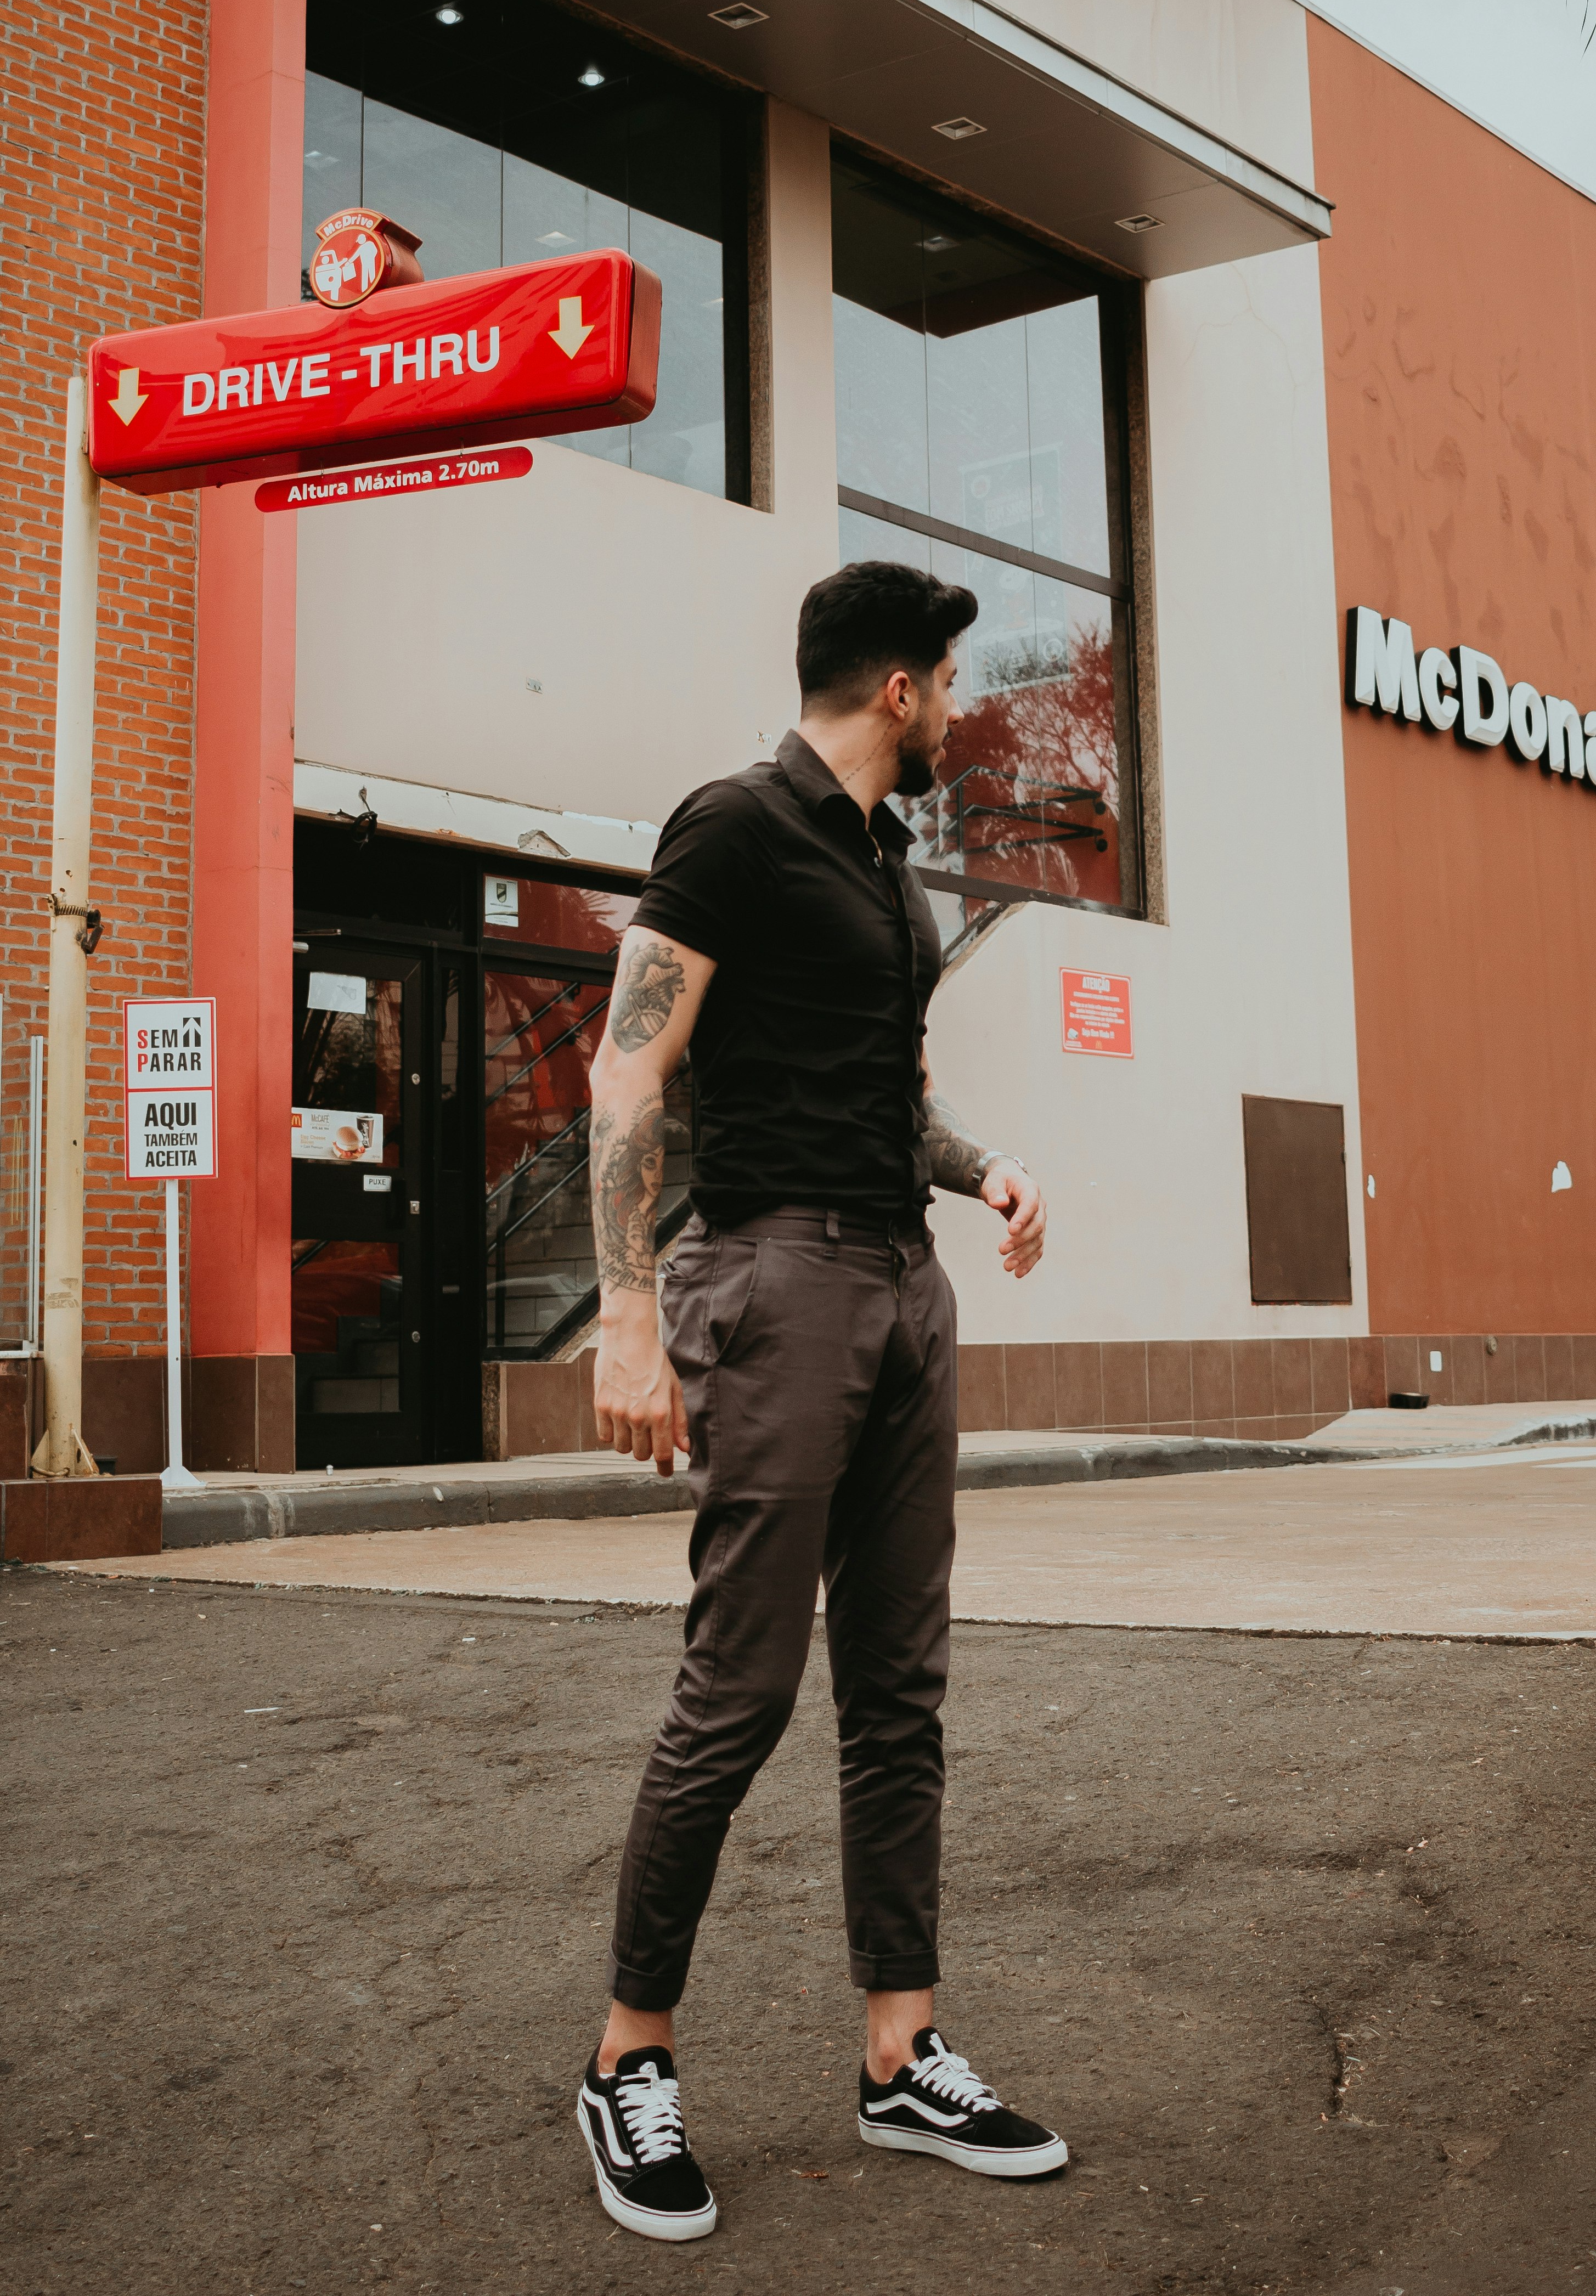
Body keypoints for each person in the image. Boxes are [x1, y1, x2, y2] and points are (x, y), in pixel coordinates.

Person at [573, 559, 1067, 2242]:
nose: (960, 708)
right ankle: (629, 2057)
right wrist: (627, 1313)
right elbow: (629, 1064)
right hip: (769, 1280)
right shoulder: (735, 824)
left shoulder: (884, 872)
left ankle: (900, 2048)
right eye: (950, 679)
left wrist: (984, 1167)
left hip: (900, 1284)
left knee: (899, 1689)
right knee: (742, 1689)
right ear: (902, 691)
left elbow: (887, 1091)